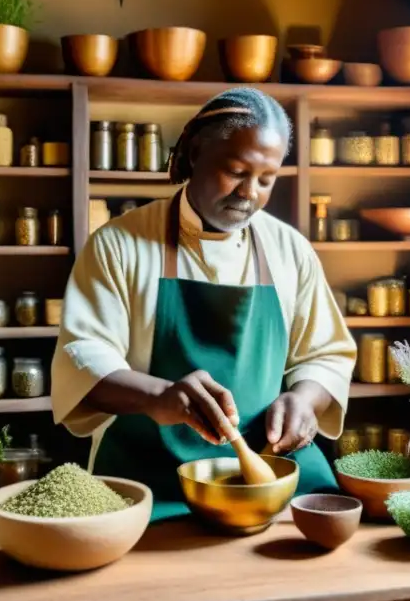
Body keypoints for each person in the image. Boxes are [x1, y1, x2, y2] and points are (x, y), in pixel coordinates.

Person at [51, 87, 356, 522]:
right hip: (151, 468)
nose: (249, 192)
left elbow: (326, 353)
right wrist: (159, 395)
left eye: (266, 179)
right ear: (195, 153)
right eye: (236, 171)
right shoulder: (119, 244)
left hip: (266, 466)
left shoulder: (291, 250)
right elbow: (81, 357)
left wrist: (306, 400)